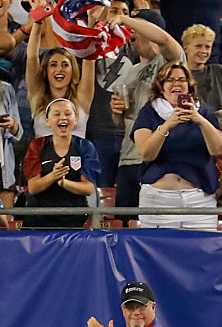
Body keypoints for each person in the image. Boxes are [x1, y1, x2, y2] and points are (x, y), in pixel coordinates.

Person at [109, 9, 184, 224]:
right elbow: (121, 123)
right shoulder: (129, 71)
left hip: (161, 158)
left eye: (136, 26)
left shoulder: (169, 62)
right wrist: (118, 112)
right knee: (125, 227)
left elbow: (163, 38)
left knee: (157, 228)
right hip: (129, 158)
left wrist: (124, 18)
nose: (130, 30)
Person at [132, 61, 222, 229]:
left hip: (199, 200)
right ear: (162, 87)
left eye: (182, 80)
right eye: (170, 79)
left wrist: (199, 120)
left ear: (189, 86)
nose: (176, 83)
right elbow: (146, 154)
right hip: (158, 199)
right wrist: (168, 124)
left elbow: (218, 149)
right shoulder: (149, 111)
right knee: (157, 254)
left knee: (201, 251)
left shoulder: (206, 113)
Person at [22, 98, 99, 229]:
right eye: (57, 114)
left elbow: (88, 188)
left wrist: (64, 183)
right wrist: (53, 176)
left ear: (75, 120)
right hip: (38, 220)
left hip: (73, 220)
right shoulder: (37, 145)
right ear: (47, 121)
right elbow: (33, 187)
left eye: (68, 114)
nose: (63, 117)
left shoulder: (85, 146)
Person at [87, 0, 133, 189]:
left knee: (128, 197)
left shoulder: (138, 48)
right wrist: (91, 24)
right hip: (99, 133)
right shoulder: (95, 44)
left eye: (125, 12)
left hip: (131, 136)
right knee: (100, 194)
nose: (119, 16)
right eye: (114, 11)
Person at [26, 29, 94, 138]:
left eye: (65, 65)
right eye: (53, 65)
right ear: (46, 71)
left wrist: (91, 24)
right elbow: (31, 58)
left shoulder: (81, 98)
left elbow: (89, 59)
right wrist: (37, 23)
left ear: (73, 70)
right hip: (43, 154)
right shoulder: (38, 96)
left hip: (77, 154)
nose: (59, 69)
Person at [181, 24, 222, 110]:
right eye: (198, 46)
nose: (203, 51)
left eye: (207, 47)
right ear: (185, 48)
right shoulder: (179, 74)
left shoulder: (217, 70)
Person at [0, 60, 22, 208]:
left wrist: (12, 125)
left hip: (1, 166)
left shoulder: (6, 89)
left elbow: (19, 132)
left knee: (4, 225)